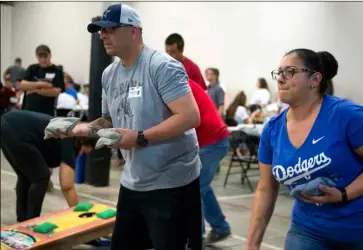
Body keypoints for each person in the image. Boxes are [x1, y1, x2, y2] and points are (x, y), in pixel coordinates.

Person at [50, 4, 202, 249]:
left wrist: (140, 137)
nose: (103, 35)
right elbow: (108, 120)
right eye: (101, 31)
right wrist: (79, 129)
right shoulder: (109, 74)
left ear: (133, 31)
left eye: (110, 29)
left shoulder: (161, 66)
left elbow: (190, 116)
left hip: (172, 183)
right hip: (133, 181)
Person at [244, 49, 363, 250]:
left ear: (314, 79)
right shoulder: (273, 129)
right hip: (311, 230)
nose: (280, 79)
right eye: (278, 73)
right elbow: (265, 188)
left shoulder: (345, 114)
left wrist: (344, 193)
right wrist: (252, 244)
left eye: (289, 71)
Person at [0, 110, 94, 222]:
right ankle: (31, 222)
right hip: (17, 131)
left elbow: (47, 148)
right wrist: (80, 216)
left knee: (26, 176)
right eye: (84, 152)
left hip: (7, 123)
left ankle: (22, 221)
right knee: (41, 178)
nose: (81, 155)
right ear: (82, 142)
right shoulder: (70, 140)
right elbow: (67, 186)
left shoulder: (69, 129)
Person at [188, 79, 232, 245]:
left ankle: (195, 238)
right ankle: (220, 228)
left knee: (195, 188)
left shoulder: (177, 85)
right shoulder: (181, 82)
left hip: (212, 142)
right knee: (202, 188)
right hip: (212, 141)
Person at [19, 45, 64, 116]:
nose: (43, 59)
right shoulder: (32, 68)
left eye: (45, 57)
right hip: (28, 111)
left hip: (47, 112)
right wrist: (42, 84)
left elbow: (56, 91)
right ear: (36, 56)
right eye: (40, 57)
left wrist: (35, 90)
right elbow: (22, 85)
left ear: (50, 55)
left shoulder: (57, 71)